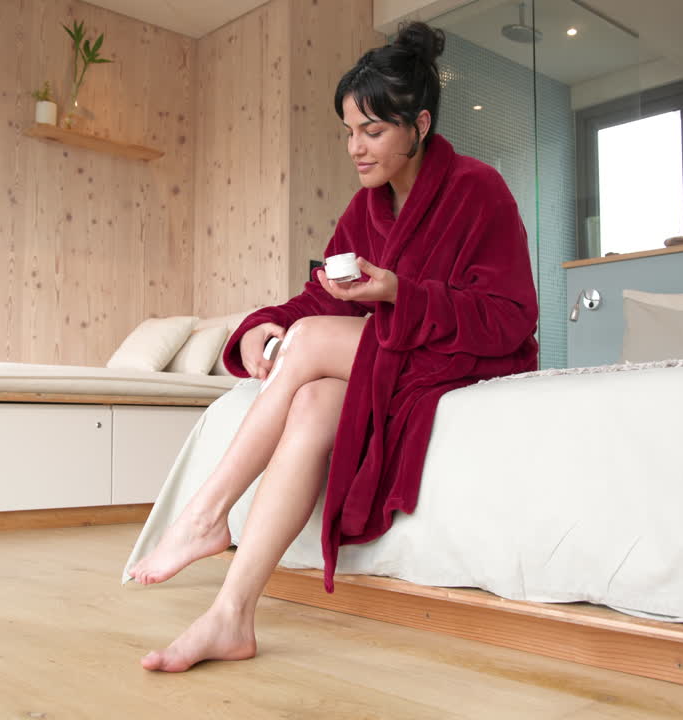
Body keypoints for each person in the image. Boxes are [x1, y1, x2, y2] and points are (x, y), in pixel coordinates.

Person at [130, 21, 539, 673]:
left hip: (469, 353)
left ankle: (205, 514)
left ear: (420, 124)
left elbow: (513, 317)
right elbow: (321, 299)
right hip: (397, 349)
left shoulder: (477, 189)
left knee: (314, 341)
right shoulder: (366, 207)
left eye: (373, 131)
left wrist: (402, 292)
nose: (356, 147)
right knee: (315, 396)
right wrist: (263, 326)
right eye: (349, 131)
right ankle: (232, 616)